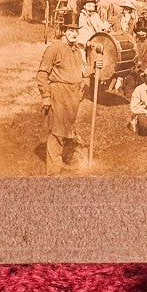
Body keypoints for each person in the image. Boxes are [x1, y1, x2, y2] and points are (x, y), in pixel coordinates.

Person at [36, 11, 102, 174]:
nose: (73, 33)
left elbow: (80, 72)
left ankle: (65, 158)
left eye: (76, 31)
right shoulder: (54, 48)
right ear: (64, 31)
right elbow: (42, 74)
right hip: (59, 93)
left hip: (73, 96)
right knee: (57, 132)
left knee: (66, 128)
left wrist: (95, 67)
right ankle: (53, 170)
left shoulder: (76, 51)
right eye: (70, 30)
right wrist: (46, 97)